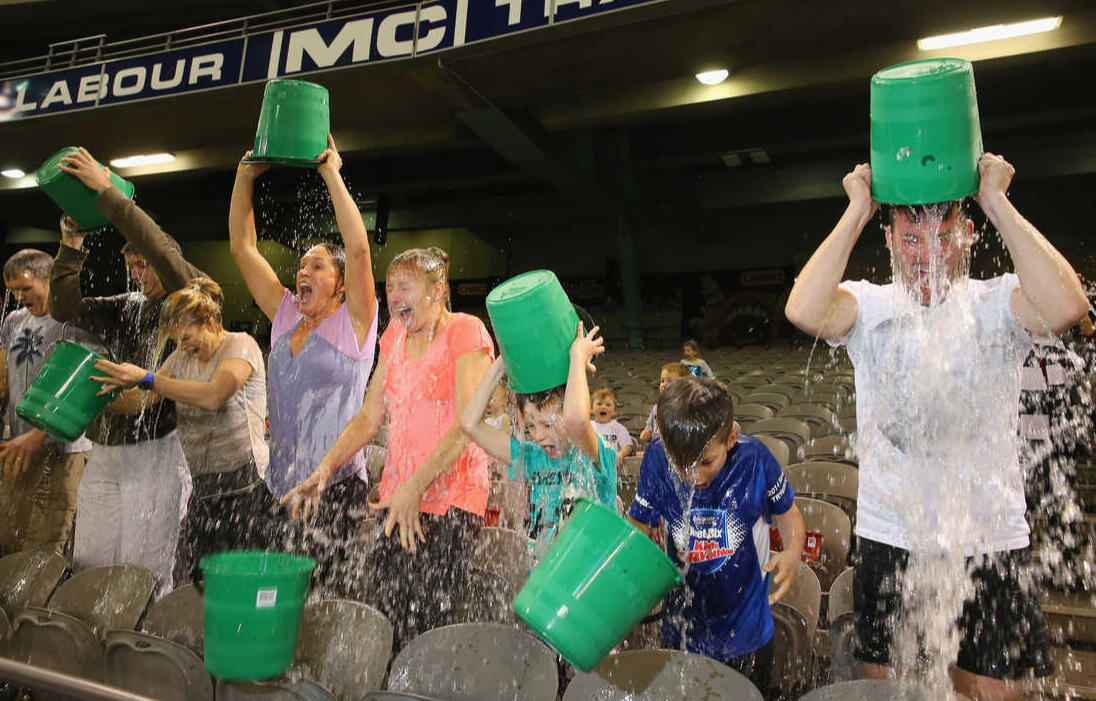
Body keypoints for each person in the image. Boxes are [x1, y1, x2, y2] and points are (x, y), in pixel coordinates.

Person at [783, 154, 1087, 700]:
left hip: (988, 539)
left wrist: (997, 200)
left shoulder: (995, 304)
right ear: (893, 242)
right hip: (892, 537)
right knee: (903, 692)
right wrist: (856, 210)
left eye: (944, 235)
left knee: (992, 694)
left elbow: (1066, 306)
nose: (927, 255)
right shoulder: (871, 306)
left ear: (970, 235)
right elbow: (804, 310)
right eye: (911, 239)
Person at [284, 246, 493, 647]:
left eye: (406, 286)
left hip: (451, 499)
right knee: (384, 613)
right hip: (399, 499)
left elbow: (468, 426)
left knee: (428, 621)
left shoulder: (466, 331)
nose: (395, 296)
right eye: (390, 287)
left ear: (438, 289)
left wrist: (414, 489)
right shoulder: (395, 334)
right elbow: (367, 417)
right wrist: (324, 469)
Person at [51, 147, 203, 594]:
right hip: (106, 446)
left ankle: (143, 647)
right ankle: (93, 642)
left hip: (156, 447)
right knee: (91, 558)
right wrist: (71, 245)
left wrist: (110, 198)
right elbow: (64, 307)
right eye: (131, 264)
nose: (138, 272)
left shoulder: (189, 299)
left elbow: (159, 248)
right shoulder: (124, 307)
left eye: (145, 262)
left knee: (145, 564)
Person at [229, 135, 379, 577]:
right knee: (274, 594)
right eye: (301, 265)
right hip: (279, 484)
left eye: (317, 266)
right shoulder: (284, 314)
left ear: (341, 283)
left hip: (336, 487)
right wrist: (243, 178)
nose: (303, 271)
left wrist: (331, 172)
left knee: (326, 598)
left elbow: (358, 249)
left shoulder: (355, 323)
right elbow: (243, 248)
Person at [627, 376, 805, 691]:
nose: (694, 476)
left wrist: (792, 552)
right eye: (680, 465)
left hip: (746, 631)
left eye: (706, 462)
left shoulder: (754, 460)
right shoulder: (656, 459)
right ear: (664, 443)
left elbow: (788, 513)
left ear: (732, 438)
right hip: (682, 626)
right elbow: (638, 527)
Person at [90, 278, 268, 578]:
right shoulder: (181, 358)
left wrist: (146, 376)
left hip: (248, 491)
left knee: (242, 582)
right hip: (206, 491)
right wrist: (92, 401)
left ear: (210, 322)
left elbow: (213, 396)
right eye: (177, 341)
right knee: (204, 583)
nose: (183, 347)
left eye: (187, 338)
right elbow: (140, 401)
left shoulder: (240, 345)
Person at [462, 323, 619, 552]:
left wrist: (577, 357)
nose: (538, 435)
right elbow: (469, 424)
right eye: (531, 425)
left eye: (548, 424)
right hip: (543, 575)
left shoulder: (593, 453)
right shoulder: (532, 457)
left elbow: (575, 420)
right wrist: (502, 365)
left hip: (588, 580)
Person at [0, 249, 98, 555]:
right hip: (19, 446)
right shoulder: (14, 321)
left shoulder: (73, 322)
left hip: (61, 450)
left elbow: (82, 390)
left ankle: (40, 604)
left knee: (47, 544)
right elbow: (3, 378)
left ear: (48, 280)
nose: (19, 297)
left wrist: (37, 435)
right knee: (10, 536)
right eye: (13, 290)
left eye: (25, 288)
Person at [639, 361, 692, 443]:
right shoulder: (656, 409)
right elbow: (649, 429)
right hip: (658, 450)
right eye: (662, 381)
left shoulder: (687, 409)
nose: (664, 385)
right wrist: (646, 435)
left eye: (670, 381)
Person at [590, 387, 635, 468]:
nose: (603, 407)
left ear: (615, 411)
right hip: (592, 466)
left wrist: (620, 455)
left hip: (611, 466)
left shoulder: (618, 428)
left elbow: (627, 446)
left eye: (608, 405)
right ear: (591, 409)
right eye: (599, 404)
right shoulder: (588, 426)